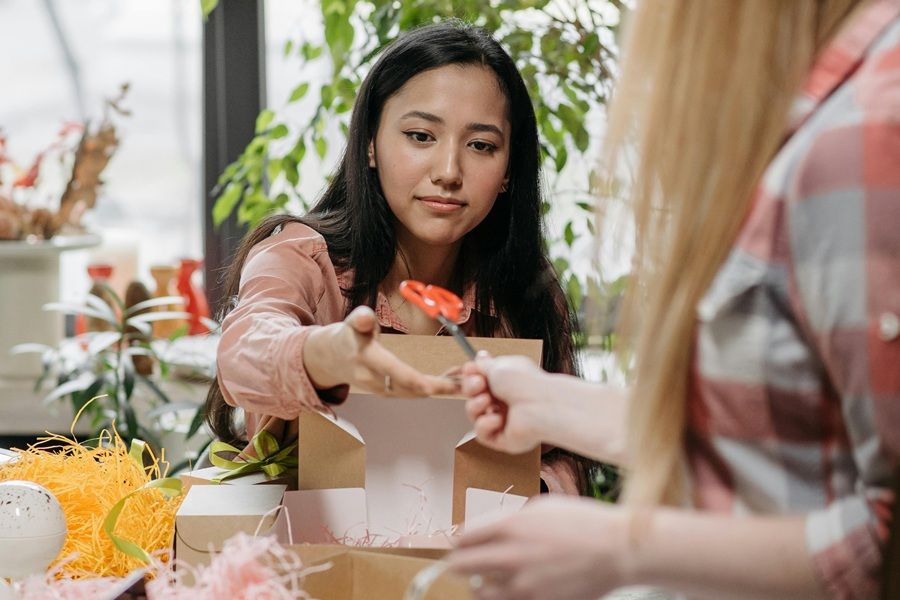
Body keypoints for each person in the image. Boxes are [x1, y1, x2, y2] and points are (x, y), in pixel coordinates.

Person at [448, 1, 900, 598]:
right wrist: (558, 406)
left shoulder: (868, 132)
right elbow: (788, 436)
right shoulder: (820, 121)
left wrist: (623, 548)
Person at [204, 21, 593, 494]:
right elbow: (243, 354)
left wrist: (537, 493)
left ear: (509, 169)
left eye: (481, 146)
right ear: (370, 143)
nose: (449, 172)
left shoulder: (526, 294)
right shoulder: (301, 255)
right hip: (310, 558)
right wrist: (326, 356)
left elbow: (563, 451)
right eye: (421, 136)